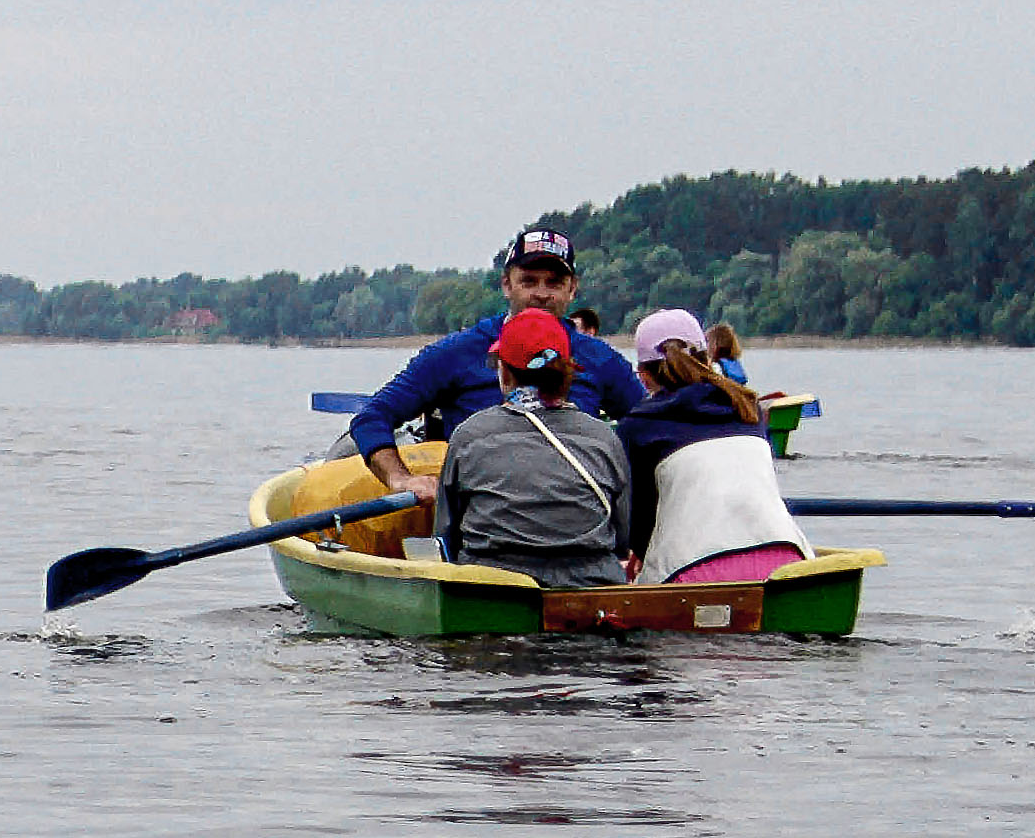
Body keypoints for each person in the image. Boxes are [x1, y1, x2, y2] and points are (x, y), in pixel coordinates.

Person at [348, 228, 641, 505]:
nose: (541, 294)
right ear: (506, 285)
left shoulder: (602, 359)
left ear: (572, 289)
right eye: (528, 281)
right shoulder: (454, 353)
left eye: (554, 283)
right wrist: (400, 479)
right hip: (480, 525)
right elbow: (372, 418)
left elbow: (648, 424)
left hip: (575, 521)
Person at [433, 310, 630, 586]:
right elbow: (622, 538)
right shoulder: (603, 436)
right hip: (590, 584)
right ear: (567, 372)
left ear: (504, 372)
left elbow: (446, 532)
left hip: (493, 585)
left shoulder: (469, 434)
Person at [616, 309, 813, 584]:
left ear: (643, 375)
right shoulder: (749, 407)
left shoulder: (637, 426)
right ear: (707, 360)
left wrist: (638, 551)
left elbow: (639, 520)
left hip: (691, 571)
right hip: (787, 560)